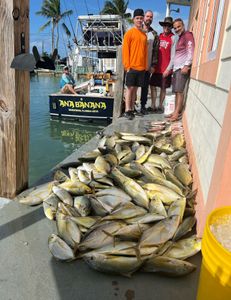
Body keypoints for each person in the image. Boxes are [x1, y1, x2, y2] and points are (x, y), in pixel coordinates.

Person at [163, 18, 195, 121]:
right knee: (176, 91)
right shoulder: (180, 37)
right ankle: (176, 111)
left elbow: (190, 50)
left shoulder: (187, 35)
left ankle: (176, 113)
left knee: (179, 91)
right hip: (177, 68)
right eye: (175, 28)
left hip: (182, 68)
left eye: (179, 27)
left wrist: (187, 65)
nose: (177, 29)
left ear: (183, 25)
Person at [122, 8, 148, 120]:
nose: (139, 20)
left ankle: (132, 108)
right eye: (137, 18)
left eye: (141, 18)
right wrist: (127, 66)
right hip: (131, 67)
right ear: (133, 19)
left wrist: (145, 65)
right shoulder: (129, 33)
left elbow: (145, 52)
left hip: (141, 68)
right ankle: (128, 110)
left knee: (136, 90)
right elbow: (125, 51)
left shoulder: (144, 35)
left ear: (143, 20)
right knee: (129, 89)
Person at [149, 17, 175, 114]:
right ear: (163, 26)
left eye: (168, 26)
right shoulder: (159, 36)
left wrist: (169, 69)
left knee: (163, 88)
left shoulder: (173, 38)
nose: (166, 27)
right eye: (165, 25)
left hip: (166, 68)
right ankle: (153, 105)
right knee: (152, 85)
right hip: (156, 67)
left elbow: (173, 55)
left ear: (171, 27)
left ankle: (160, 105)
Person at [140, 10, 159, 114]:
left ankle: (143, 106)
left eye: (151, 17)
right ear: (144, 17)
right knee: (132, 86)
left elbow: (156, 51)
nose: (149, 18)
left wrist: (153, 65)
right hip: (136, 63)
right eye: (147, 16)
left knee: (144, 86)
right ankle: (131, 108)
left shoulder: (154, 34)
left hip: (147, 65)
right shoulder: (137, 30)